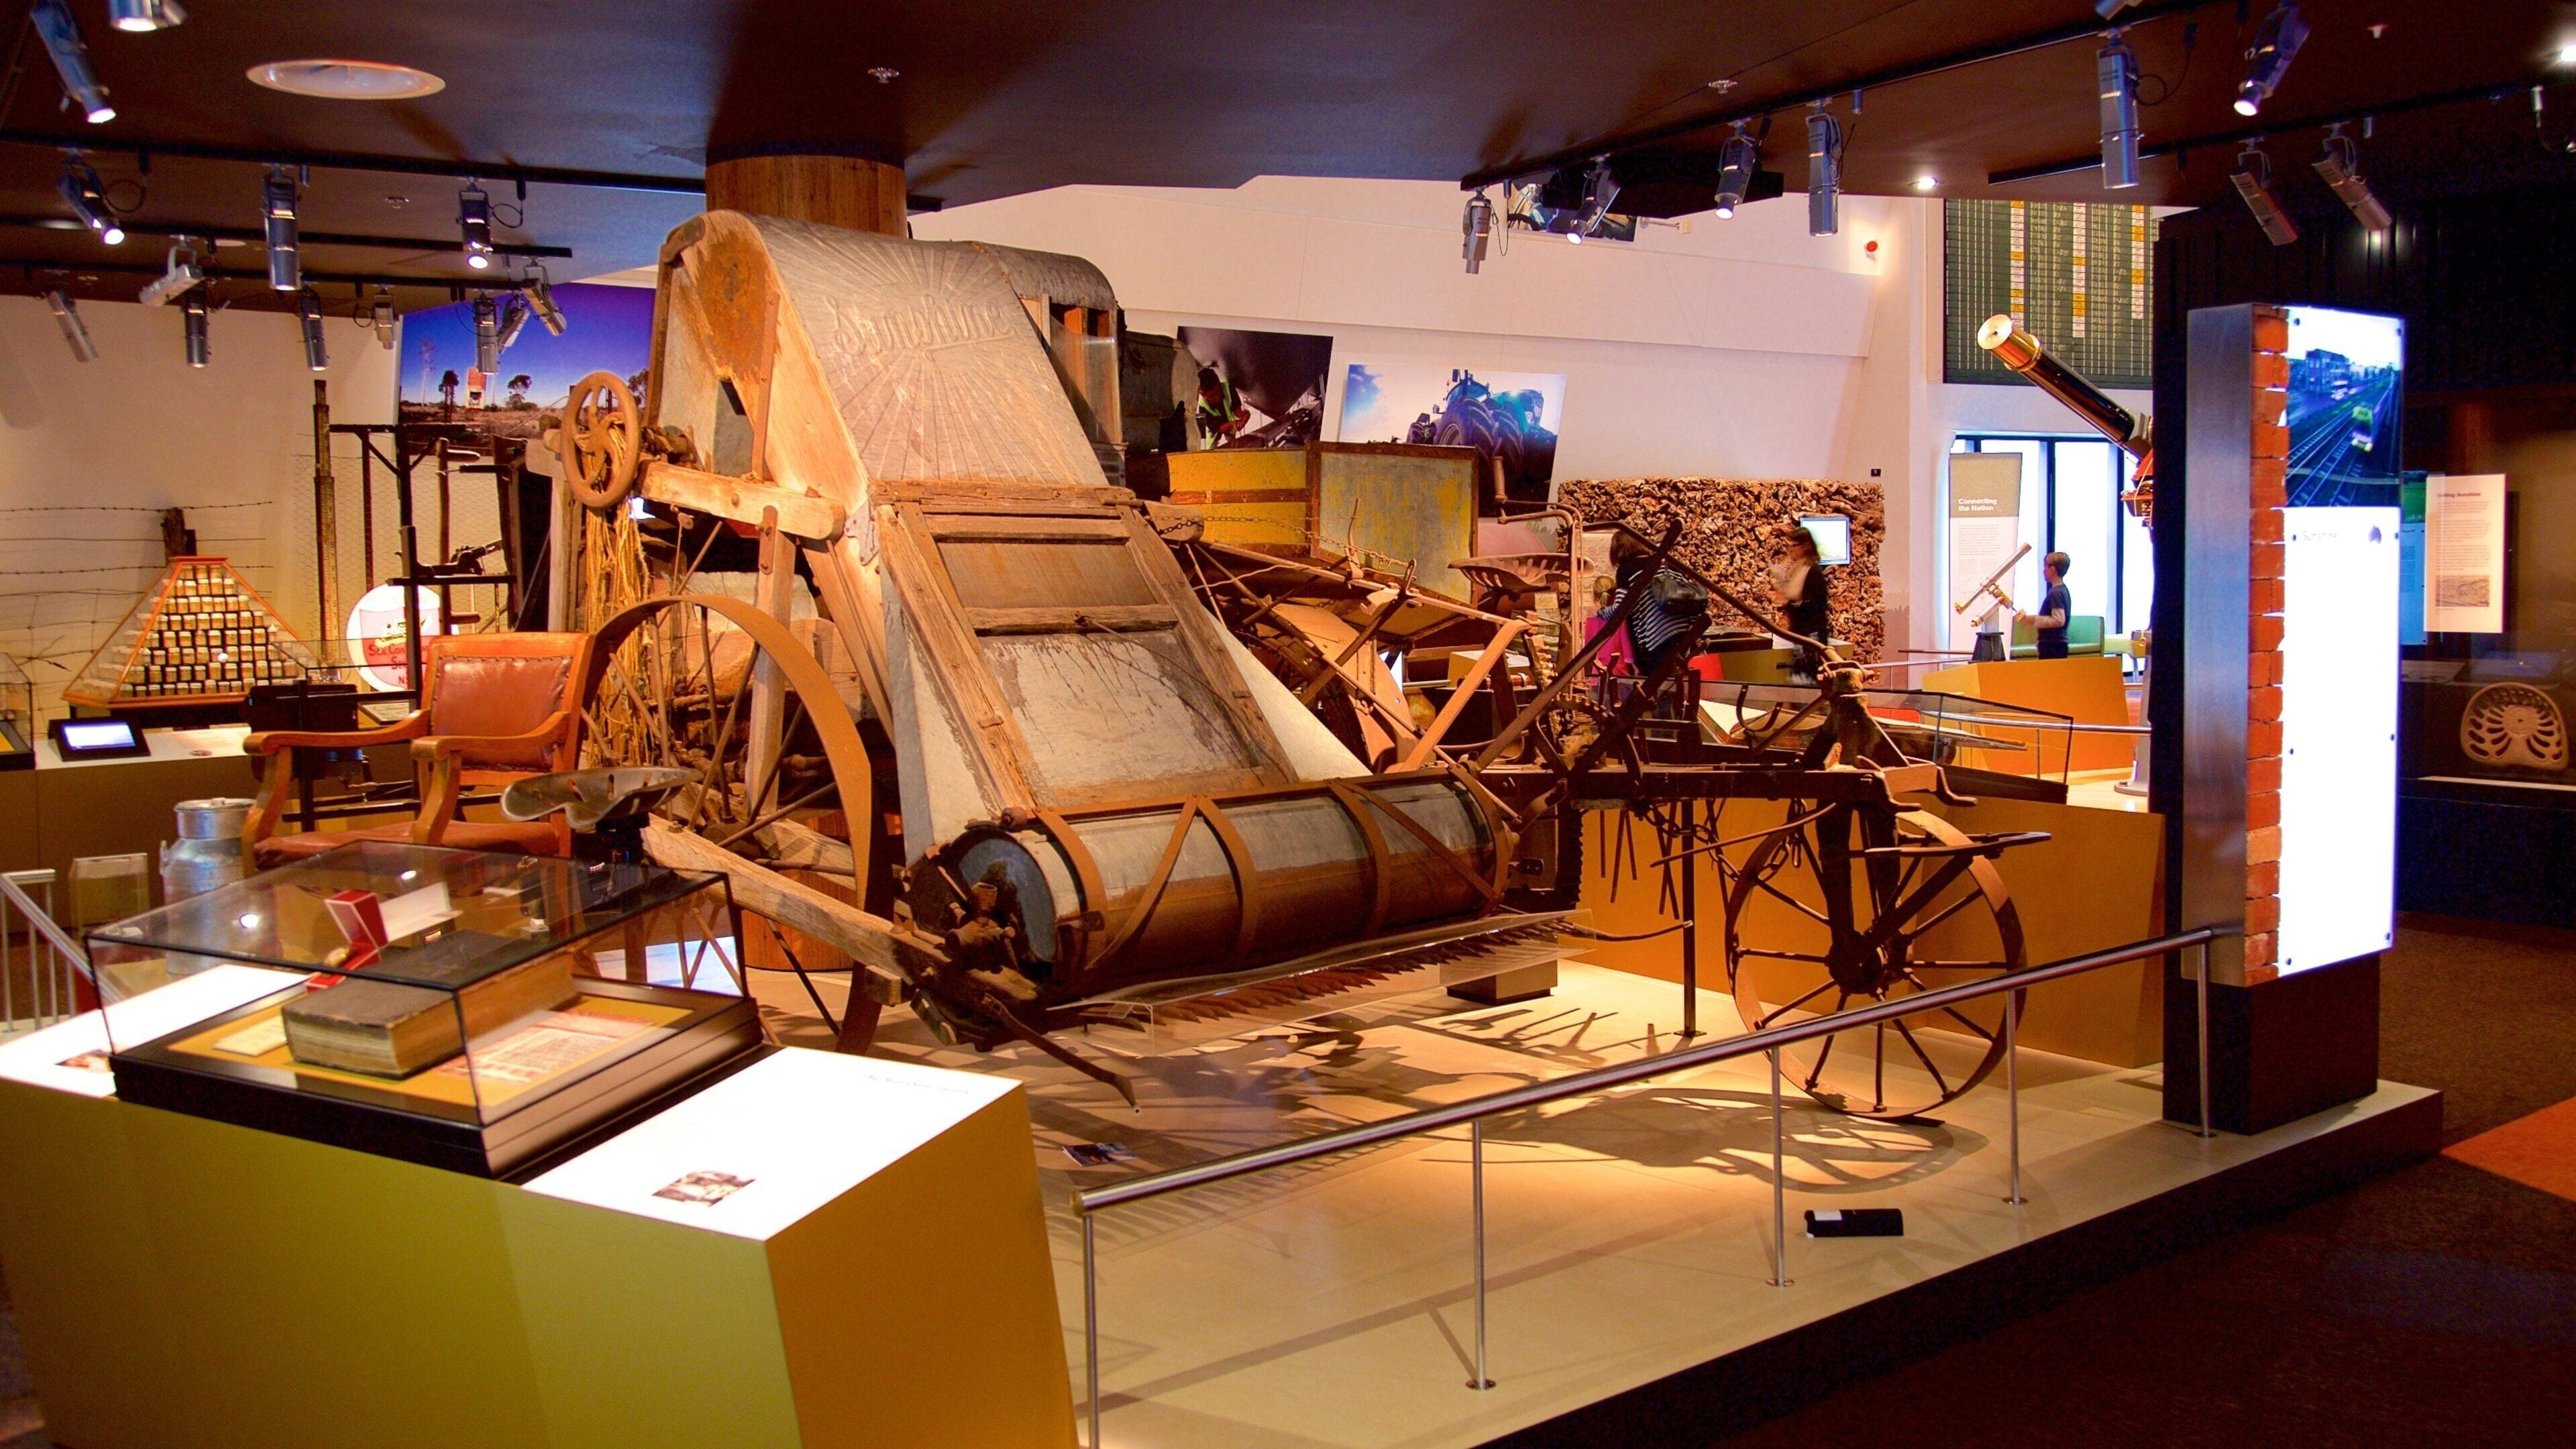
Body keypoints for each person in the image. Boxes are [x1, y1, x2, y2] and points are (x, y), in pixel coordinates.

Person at [1607, 533, 1707, 681]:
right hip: (1684, 635)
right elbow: (1688, 597)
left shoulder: (1626, 570)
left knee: (1660, 689)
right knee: (1679, 685)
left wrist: (1600, 614)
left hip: (1657, 637)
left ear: (1618, 550)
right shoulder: (1668, 564)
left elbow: (1621, 610)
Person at [1773, 527, 1831, 683]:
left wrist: (1789, 604)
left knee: (1806, 681)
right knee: (1801, 680)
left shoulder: (1812, 572)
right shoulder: (1798, 570)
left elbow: (1815, 606)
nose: (1790, 550)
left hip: (1810, 637)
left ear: (1806, 546)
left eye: (1794, 545)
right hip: (1800, 634)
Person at [2018, 551, 2072, 659]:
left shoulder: (2055, 593)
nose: (2044, 571)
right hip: (2058, 644)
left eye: (2045, 567)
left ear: (2052, 570)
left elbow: (2058, 620)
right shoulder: (2063, 590)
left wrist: (2033, 620)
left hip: (2052, 645)